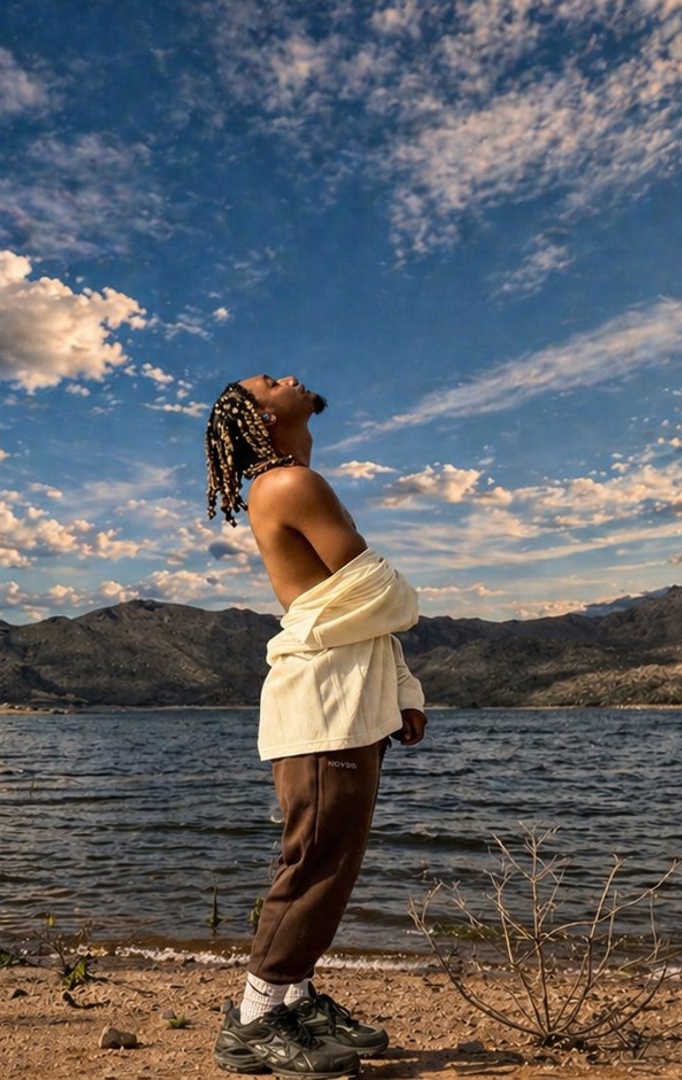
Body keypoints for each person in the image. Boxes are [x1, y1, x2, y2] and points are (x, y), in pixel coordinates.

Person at [203, 374, 427, 1079]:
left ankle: (293, 999)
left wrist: (403, 690)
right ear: (265, 414)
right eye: (270, 381)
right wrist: (390, 599)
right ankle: (257, 1017)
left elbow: (364, 610)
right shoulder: (290, 484)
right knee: (315, 865)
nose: (289, 378)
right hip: (325, 706)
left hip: (346, 699)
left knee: (333, 863)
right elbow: (384, 594)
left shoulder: (291, 482)